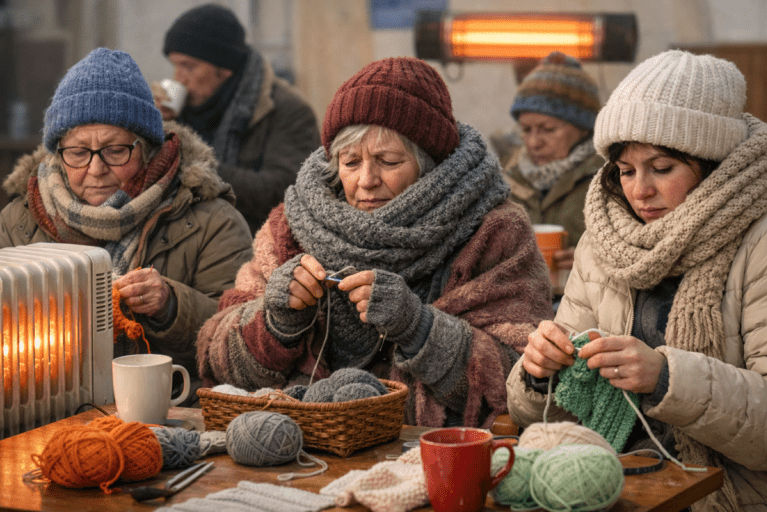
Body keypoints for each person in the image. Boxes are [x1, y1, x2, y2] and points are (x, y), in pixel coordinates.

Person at [197, 57, 553, 428]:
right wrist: (275, 323)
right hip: (301, 446)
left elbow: (525, 378)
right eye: (351, 163)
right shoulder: (290, 229)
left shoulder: (494, 232)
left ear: (428, 163)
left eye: (387, 160)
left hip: (427, 454)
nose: (366, 180)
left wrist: (420, 327)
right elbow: (215, 356)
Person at [506, 49, 767, 511]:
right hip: (617, 488)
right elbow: (547, 414)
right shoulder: (604, 241)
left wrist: (666, 378)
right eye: (625, 171)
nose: (639, 191)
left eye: (662, 168)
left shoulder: (758, 244)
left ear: (714, 165)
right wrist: (539, 374)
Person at [0, 48, 253, 401]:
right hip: (45, 406)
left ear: (147, 148)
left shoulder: (212, 220)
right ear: (56, 153)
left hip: (169, 411)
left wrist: (171, 306)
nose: (95, 168)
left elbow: (247, 336)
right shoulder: (19, 219)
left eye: (115, 150)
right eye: (77, 152)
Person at [156, 3, 321, 235]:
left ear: (224, 68)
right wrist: (159, 128)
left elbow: (284, 191)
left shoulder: (287, 110)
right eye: (175, 66)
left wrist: (192, 165)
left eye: (189, 67)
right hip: (187, 237)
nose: (178, 78)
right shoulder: (183, 109)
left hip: (256, 244)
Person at [505, 51, 604, 271]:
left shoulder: (610, 178)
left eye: (547, 129)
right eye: (526, 130)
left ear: (583, 129)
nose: (533, 143)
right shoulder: (506, 178)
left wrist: (599, 261)